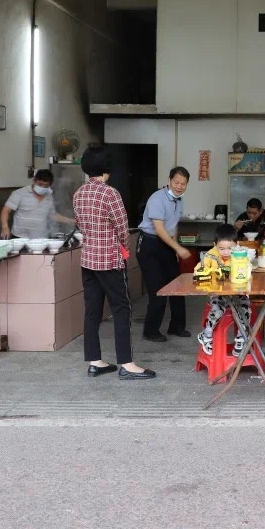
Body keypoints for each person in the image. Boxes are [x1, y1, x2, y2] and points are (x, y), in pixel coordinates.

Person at [72, 145, 154, 379]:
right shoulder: (110, 194)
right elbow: (122, 228)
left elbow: (79, 224)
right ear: (107, 168)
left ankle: (95, 361)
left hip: (88, 260)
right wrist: (123, 249)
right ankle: (127, 364)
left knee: (92, 311)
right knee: (121, 309)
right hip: (109, 261)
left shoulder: (78, 193)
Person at [138, 167, 192, 341]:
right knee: (158, 290)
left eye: (183, 184)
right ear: (169, 180)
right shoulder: (157, 198)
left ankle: (176, 327)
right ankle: (151, 331)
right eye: (176, 182)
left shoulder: (178, 200)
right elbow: (160, 229)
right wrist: (178, 248)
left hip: (166, 245)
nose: (179, 186)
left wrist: (174, 248)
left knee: (177, 287)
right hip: (150, 245)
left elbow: (173, 225)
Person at [195, 224, 252, 356]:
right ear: (215, 245)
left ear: (237, 244)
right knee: (217, 310)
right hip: (218, 294)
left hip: (237, 293)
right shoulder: (210, 256)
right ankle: (206, 335)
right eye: (221, 248)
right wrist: (213, 273)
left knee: (244, 308)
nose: (226, 252)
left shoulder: (240, 255)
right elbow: (198, 271)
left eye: (230, 248)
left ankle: (241, 339)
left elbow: (248, 271)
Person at [0, 169, 74, 239]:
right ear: (34, 181)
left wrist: (70, 221)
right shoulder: (19, 193)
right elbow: (6, 210)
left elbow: (52, 215)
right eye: (40, 184)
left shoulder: (49, 196)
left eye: (46, 185)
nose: (42, 187)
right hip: (20, 237)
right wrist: (5, 227)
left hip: (41, 239)